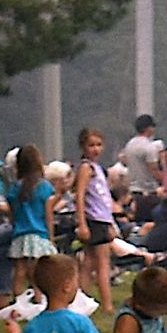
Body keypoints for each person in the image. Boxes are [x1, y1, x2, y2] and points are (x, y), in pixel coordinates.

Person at [6, 145, 61, 299]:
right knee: (38, 272)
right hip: (40, 233)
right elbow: (48, 215)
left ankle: (18, 300)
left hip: (20, 235)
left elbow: (12, 215)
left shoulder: (15, 189)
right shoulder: (44, 187)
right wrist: (51, 238)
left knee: (20, 270)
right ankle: (39, 299)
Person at [72, 128, 117, 314]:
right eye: (91, 145)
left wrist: (111, 222)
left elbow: (104, 199)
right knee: (102, 263)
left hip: (103, 219)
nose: (96, 149)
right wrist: (82, 223)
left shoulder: (98, 169)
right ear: (83, 147)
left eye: (99, 145)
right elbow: (80, 195)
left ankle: (82, 301)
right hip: (94, 220)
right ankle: (107, 304)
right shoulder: (86, 168)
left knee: (89, 262)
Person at [120, 114, 164, 222]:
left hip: (133, 190)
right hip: (148, 192)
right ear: (149, 128)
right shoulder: (149, 147)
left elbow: (125, 161)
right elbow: (153, 169)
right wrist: (165, 181)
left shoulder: (130, 145)